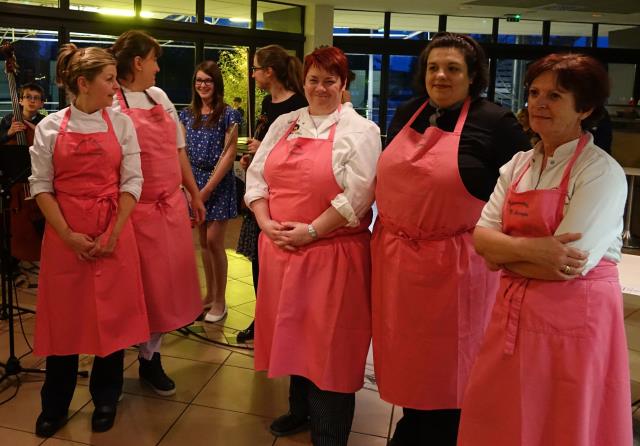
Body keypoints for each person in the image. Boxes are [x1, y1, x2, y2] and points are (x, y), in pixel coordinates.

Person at [458, 53, 631, 446]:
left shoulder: (599, 172)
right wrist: (535, 250)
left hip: (574, 323)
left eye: (555, 96)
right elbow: (481, 238)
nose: (538, 103)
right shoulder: (518, 164)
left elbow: (566, 266)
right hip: (513, 315)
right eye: (534, 92)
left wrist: (504, 253)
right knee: (505, 414)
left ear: (585, 108)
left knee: (563, 422)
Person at [371, 32, 531, 446]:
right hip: (399, 264)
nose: (440, 76)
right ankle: (413, 424)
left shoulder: (497, 123)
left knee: (453, 367)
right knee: (407, 360)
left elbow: (523, 193)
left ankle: (447, 434)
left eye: (453, 68)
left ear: (473, 75)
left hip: (457, 271)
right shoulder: (408, 111)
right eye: (433, 67)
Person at [245, 46, 381, 445]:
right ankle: (299, 409)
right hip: (282, 251)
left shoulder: (361, 131)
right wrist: (265, 222)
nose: (321, 88)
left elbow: (358, 195)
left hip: (332, 255)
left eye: (330, 80)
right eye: (314, 80)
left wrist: (313, 231)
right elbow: (257, 176)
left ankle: (330, 432)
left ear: (344, 84)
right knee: (294, 335)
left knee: (330, 346)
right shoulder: (286, 122)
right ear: (303, 82)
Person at [29, 44, 149, 437]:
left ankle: (106, 397)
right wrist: (67, 234)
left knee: (110, 319)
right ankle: (55, 402)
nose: (116, 87)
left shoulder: (122, 125)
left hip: (114, 231)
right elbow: (41, 186)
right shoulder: (49, 127)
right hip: (65, 234)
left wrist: (114, 233)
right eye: (110, 79)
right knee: (64, 321)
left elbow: (132, 181)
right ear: (84, 83)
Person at [111, 30, 205, 396]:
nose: (157, 67)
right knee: (130, 291)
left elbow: (177, 150)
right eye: (154, 60)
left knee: (165, 288)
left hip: (170, 210)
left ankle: (151, 359)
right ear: (138, 62)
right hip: (133, 213)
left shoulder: (158, 96)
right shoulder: (112, 102)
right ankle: (112, 370)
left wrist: (194, 194)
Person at [235, 44, 307, 343]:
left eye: (255, 69)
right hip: (261, 190)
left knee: (282, 264)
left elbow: (298, 153)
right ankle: (262, 316)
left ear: (270, 72)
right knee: (258, 261)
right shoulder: (267, 103)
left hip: (284, 194)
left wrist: (263, 149)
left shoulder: (298, 106)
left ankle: (283, 320)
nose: (252, 75)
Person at [179, 61, 241, 322]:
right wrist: (189, 188)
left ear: (216, 84)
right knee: (203, 242)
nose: (203, 85)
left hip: (217, 182)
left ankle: (221, 300)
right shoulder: (185, 114)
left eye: (208, 81)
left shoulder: (229, 114)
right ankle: (209, 294)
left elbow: (229, 155)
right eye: (199, 80)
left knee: (216, 242)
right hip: (194, 181)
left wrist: (204, 191)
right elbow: (180, 152)